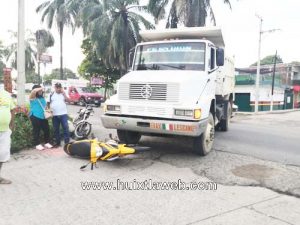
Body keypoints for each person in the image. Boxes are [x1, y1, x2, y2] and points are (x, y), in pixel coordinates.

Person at [29, 85, 53, 150]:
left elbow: (45, 107)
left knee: (46, 130)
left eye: (41, 90)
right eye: (39, 90)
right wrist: (41, 88)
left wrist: (48, 110)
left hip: (43, 116)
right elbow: (33, 92)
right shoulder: (32, 98)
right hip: (35, 116)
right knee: (36, 130)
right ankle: (37, 144)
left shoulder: (42, 98)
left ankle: (47, 142)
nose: (41, 91)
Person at [0, 88, 15, 184]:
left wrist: (12, 124)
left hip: (5, 130)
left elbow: (12, 109)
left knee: (2, 154)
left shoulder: (6, 94)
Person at [48, 83, 70, 147]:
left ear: (61, 87)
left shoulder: (64, 93)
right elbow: (48, 103)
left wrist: (64, 94)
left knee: (65, 128)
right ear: (54, 88)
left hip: (63, 114)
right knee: (56, 129)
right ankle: (57, 142)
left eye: (59, 87)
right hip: (55, 115)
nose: (58, 89)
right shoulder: (51, 94)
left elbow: (69, 101)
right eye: (57, 87)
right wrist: (49, 110)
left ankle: (67, 143)